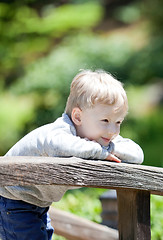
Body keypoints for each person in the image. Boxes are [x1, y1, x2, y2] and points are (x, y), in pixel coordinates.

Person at [0, 69, 144, 240]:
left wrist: (110, 149)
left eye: (118, 122)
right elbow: (62, 146)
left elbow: (137, 154)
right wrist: (100, 152)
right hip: (11, 200)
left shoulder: (101, 137)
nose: (113, 130)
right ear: (77, 117)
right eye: (105, 121)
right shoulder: (60, 132)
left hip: (37, 204)